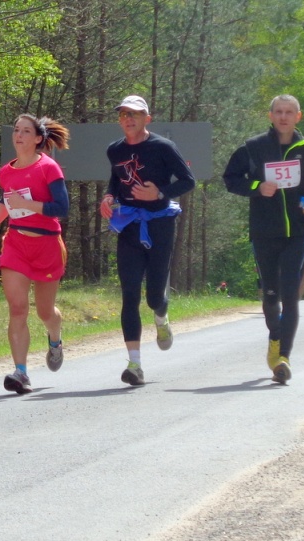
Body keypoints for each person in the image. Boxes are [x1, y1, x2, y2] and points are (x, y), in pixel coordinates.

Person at [223, 94, 304, 384]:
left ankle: (283, 357)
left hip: (297, 232)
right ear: (270, 115)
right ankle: (275, 334)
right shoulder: (253, 147)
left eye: (289, 112)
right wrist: (257, 186)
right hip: (264, 231)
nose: (283, 117)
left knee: (289, 293)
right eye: (278, 112)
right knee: (271, 296)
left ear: (299, 117)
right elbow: (231, 178)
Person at [98, 95, 196, 386]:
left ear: (147, 119)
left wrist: (160, 193)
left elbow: (188, 180)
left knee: (154, 295)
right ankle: (135, 365)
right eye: (124, 114)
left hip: (160, 223)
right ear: (120, 119)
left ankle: (161, 316)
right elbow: (116, 179)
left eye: (135, 114)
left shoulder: (163, 147)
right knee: (129, 293)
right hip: (128, 224)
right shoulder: (114, 150)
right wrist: (108, 196)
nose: (129, 119)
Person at [0, 114, 70, 394]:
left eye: (26, 131)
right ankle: (21, 372)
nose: (19, 135)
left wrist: (28, 203)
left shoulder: (49, 168)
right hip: (16, 243)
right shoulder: (6, 171)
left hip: (47, 245)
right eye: (16, 130)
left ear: (38, 139)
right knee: (17, 309)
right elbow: (4, 200)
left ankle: (55, 337)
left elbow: (62, 208)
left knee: (44, 311)